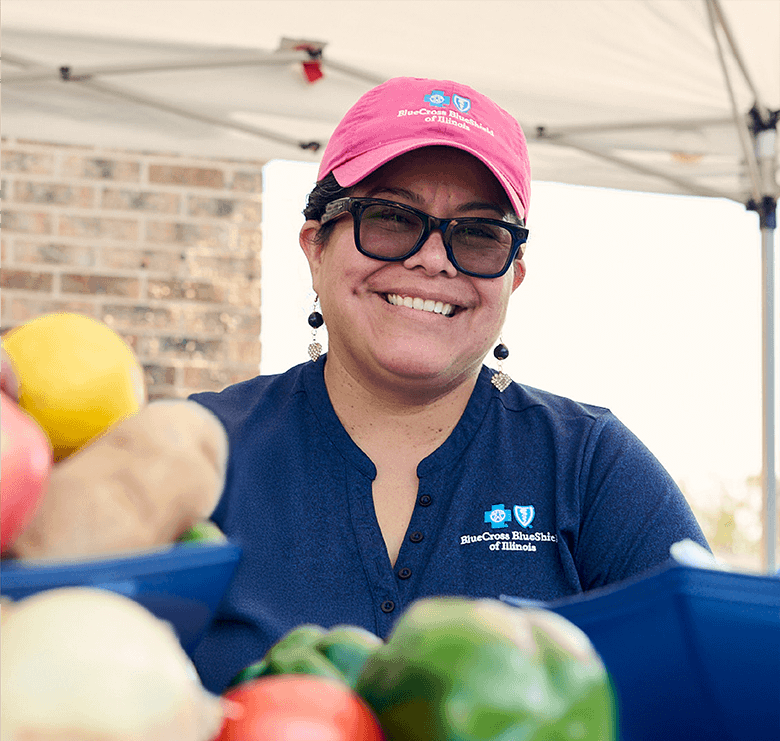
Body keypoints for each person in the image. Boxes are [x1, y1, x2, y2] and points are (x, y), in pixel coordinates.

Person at [189, 77, 708, 694]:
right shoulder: (201, 451)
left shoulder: (590, 465)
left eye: (479, 234)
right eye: (389, 218)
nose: (435, 259)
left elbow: (720, 689)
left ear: (513, 276)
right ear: (315, 246)